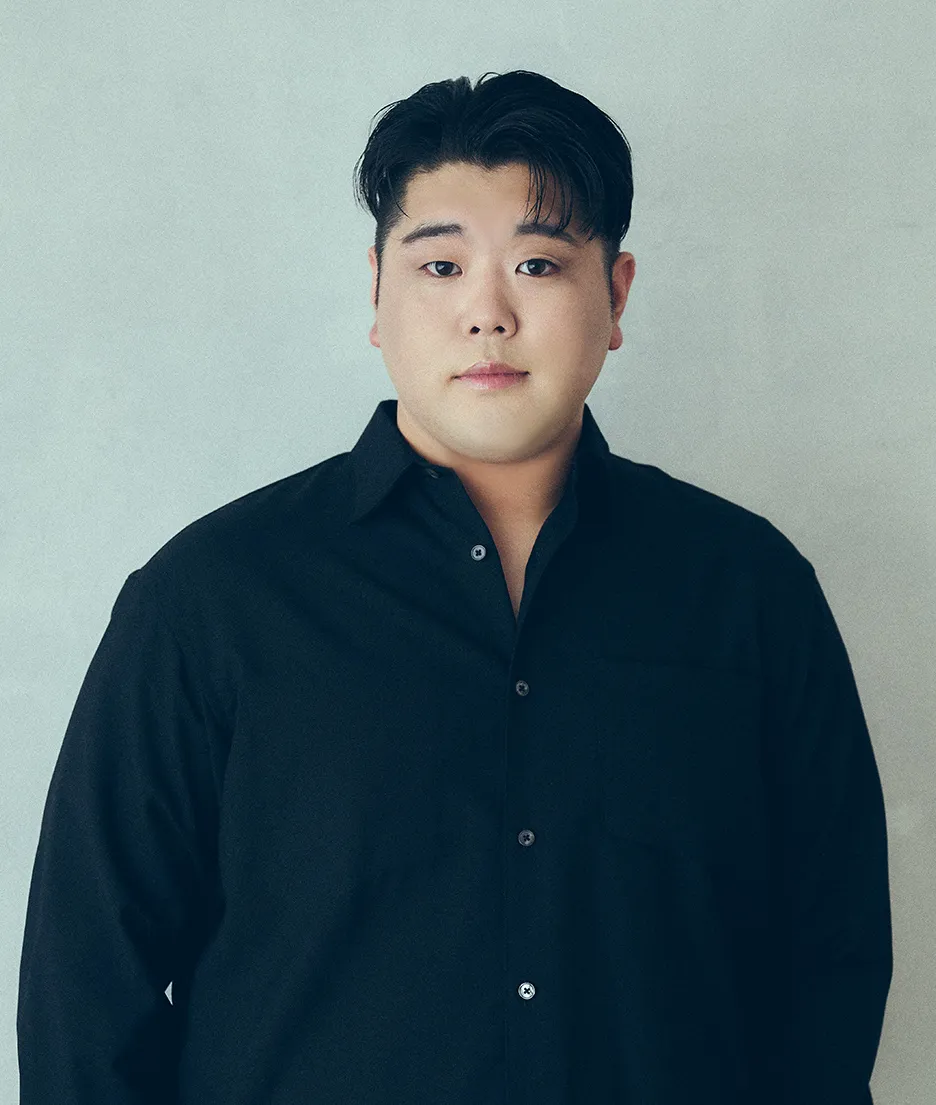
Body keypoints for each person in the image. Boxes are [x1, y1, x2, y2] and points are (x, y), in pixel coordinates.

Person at [17, 69, 892, 1104]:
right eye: (440, 264)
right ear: (375, 294)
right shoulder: (210, 601)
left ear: (616, 295)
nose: (488, 313)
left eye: (537, 263)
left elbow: (832, 958)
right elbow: (87, 983)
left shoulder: (748, 589)